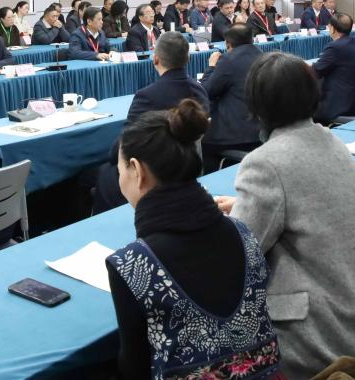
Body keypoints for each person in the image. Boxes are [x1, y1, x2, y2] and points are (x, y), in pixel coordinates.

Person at [214, 52, 355, 377]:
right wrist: (243, 206)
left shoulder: (264, 163)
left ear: (256, 106)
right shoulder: (331, 139)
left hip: (333, 337)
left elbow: (237, 256)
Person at [106, 100, 281, 380]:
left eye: (120, 171)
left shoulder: (131, 264)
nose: (120, 180)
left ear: (137, 171)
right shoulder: (243, 232)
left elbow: (133, 367)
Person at [93, 32, 209, 212]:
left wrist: (112, 155)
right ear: (188, 58)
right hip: (191, 166)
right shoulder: (200, 91)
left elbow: (125, 144)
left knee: (103, 172)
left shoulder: (147, 96)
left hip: (156, 172)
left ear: (155, 59)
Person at [200, 24, 263, 171]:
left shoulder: (228, 60)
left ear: (227, 43)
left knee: (204, 143)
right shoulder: (263, 56)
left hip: (235, 135)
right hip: (261, 130)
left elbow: (207, 91)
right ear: (252, 39)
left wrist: (211, 67)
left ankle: (212, 179)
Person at [311, 13, 355, 124]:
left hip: (340, 107)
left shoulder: (335, 47)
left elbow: (316, 72)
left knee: (302, 109)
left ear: (332, 28)